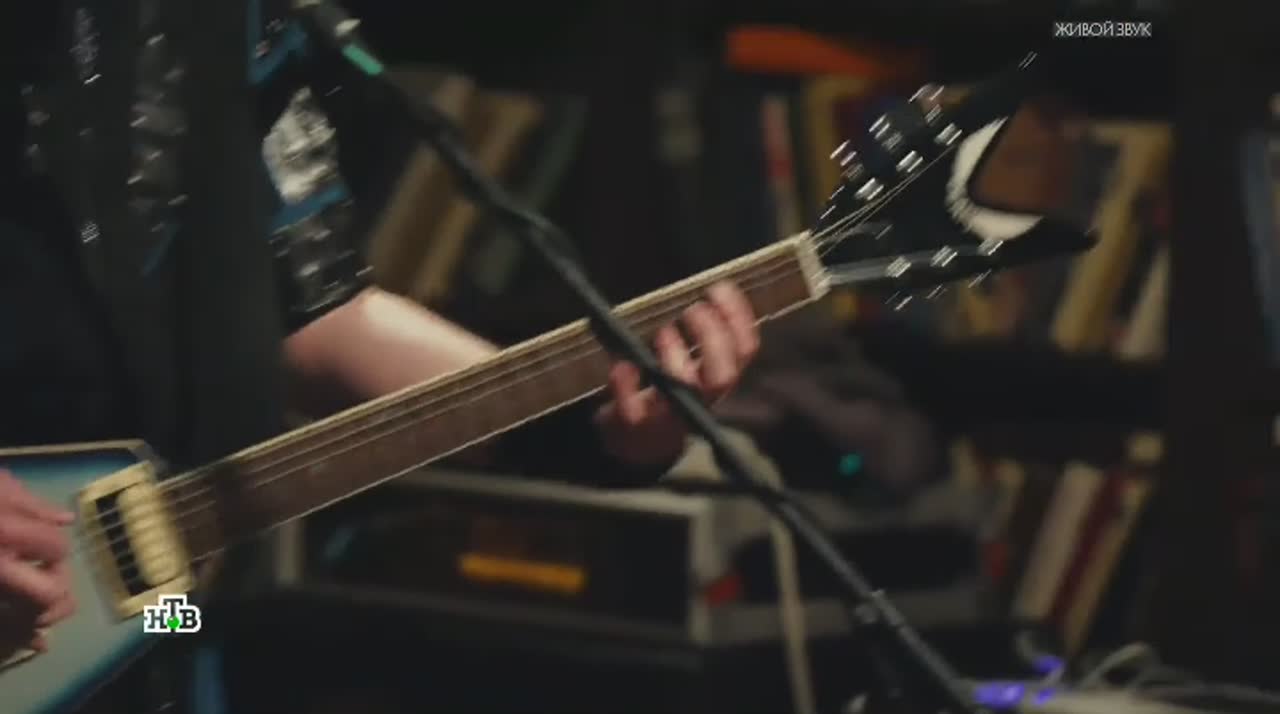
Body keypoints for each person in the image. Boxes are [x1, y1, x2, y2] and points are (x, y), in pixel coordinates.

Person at [0, 0, 759, 666]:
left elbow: (319, 314)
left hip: (141, 621)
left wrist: (591, 425)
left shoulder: (226, 19)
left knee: (197, 625)